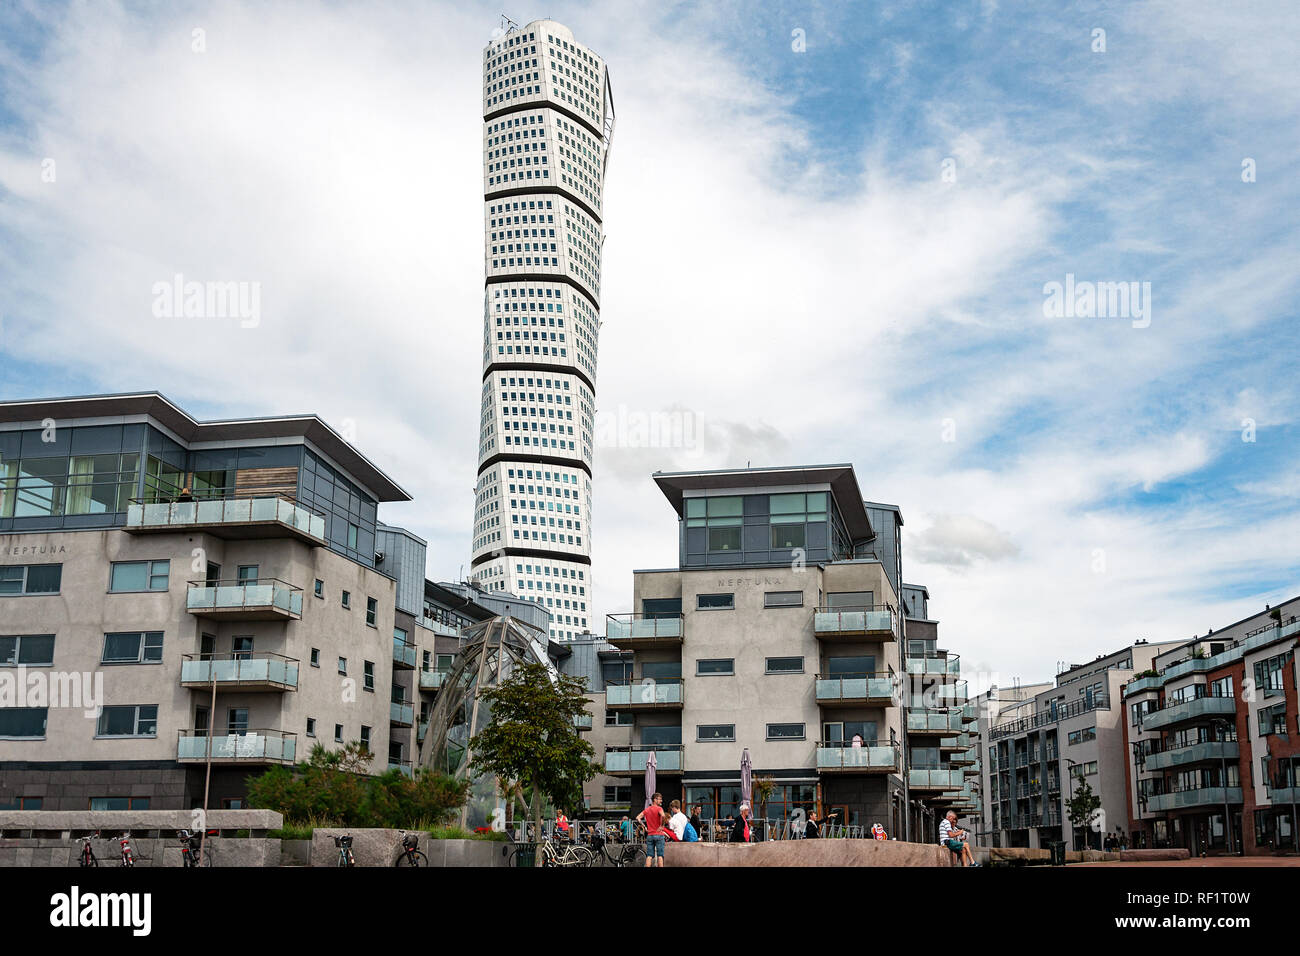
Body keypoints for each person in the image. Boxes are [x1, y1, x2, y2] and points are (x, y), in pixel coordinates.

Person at [636, 792, 668, 867]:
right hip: (659, 835)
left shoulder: (647, 809)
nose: (661, 801)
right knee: (660, 855)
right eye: (659, 799)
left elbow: (638, 818)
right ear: (655, 799)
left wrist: (645, 827)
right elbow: (663, 816)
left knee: (649, 856)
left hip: (650, 835)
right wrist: (662, 825)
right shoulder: (659, 808)